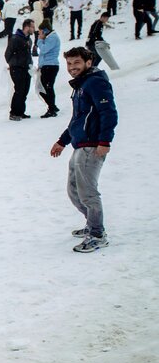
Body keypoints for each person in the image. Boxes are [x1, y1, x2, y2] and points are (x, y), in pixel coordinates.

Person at [49, 47, 118, 252]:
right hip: (80, 144)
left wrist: (104, 141)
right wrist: (62, 141)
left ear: (88, 62)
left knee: (87, 192)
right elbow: (78, 119)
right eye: (69, 64)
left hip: (92, 146)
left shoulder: (95, 82)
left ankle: (97, 233)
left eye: (76, 62)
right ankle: (92, 224)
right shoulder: (81, 85)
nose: (72, 67)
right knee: (74, 190)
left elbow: (108, 112)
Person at [5, 19, 36, 120]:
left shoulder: (28, 40)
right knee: (19, 90)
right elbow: (8, 53)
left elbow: (29, 54)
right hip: (17, 68)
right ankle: (13, 113)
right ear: (26, 27)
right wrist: (13, 64)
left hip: (26, 68)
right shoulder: (15, 38)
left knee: (25, 90)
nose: (33, 29)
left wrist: (30, 64)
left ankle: (21, 111)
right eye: (32, 27)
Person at [37, 22, 61, 117]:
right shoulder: (49, 38)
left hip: (50, 65)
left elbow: (44, 49)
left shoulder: (52, 38)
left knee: (47, 88)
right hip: (47, 65)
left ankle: (51, 108)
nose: (39, 35)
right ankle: (52, 106)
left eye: (40, 32)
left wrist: (39, 41)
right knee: (44, 87)